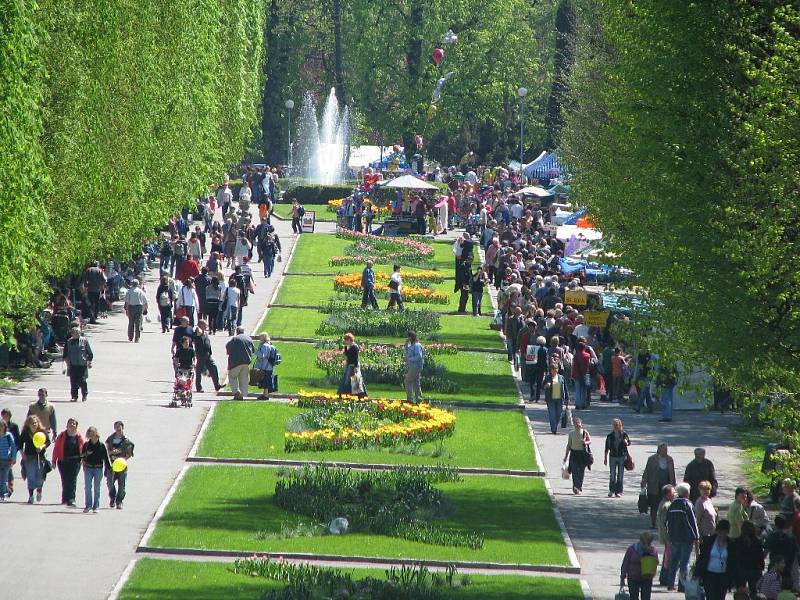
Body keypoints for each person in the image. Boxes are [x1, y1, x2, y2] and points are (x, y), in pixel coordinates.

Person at [665, 482, 700, 592]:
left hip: (674, 537)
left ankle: (670, 584)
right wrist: (696, 536)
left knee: (674, 560)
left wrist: (669, 535)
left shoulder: (672, 505)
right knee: (684, 561)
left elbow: (666, 522)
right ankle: (682, 585)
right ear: (686, 493)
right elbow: (693, 522)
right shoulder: (687, 504)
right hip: (686, 537)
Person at [695, 519, 734, 600]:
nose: (721, 534)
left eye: (724, 532)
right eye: (720, 532)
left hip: (723, 576)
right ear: (717, 531)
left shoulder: (731, 544)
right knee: (710, 597)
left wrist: (733, 580)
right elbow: (702, 557)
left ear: (727, 532)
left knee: (720, 597)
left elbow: (733, 562)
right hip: (709, 575)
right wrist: (697, 573)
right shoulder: (709, 541)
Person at [642, 443, 677, 528]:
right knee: (654, 505)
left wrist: (674, 486)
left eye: (666, 449)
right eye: (663, 449)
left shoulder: (669, 459)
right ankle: (654, 523)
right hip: (654, 485)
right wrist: (643, 482)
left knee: (667, 505)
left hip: (666, 486)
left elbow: (672, 474)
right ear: (659, 450)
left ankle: (665, 523)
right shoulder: (652, 459)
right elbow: (647, 471)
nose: (665, 451)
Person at [52, 417, 84, 507]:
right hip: (63, 461)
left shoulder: (79, 437)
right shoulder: (62, 436)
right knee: (65, 480)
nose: (72, 424)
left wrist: (84, 460)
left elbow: (83, 449)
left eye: (74, 423)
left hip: (75, 461)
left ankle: (71, 499)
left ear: (76, 426)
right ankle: (65, 498)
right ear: (67, 425)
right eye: (70, 423)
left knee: (72, 480)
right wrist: (54, 461)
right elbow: (56, 449)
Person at [19, 415, 51, 503]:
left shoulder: (42, 431)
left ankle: (39, 491)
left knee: (40, 476)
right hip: (29, 457)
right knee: (31, 476)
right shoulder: (26, 432)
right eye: (32, 423)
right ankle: (31, 496)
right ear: (28, 424)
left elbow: (48, 442)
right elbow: (20, 444)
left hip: (40, 457)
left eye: (35, 423)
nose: (34, 424)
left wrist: (42, 446)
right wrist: (22, 454)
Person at [620, 531, 659, 600]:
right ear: (640, 541)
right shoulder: (632, 549)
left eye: (648, 543)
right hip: (633, 577)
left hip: (647, 578)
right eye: (643, 543)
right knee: (634, 597)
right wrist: (622, 577)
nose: (645, 545)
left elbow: (656, 562)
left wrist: (649, 553)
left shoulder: (653, 550)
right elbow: (625, 563)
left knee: (646, 597)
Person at [765, 515, 799, 591]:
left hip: (774, 565)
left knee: (772, 589)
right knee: (785, 589)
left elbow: (766, 550)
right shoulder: (791, 537)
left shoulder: (772, 536)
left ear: (775, 524)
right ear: (785, 524)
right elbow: (796, 552)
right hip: (787, 567)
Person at [81, 425, 110, 513]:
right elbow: (81, 456)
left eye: (92, 433)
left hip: (98, 468)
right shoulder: (86, 445)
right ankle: (88, 505)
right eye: (89, 433)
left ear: (96, 434)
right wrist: (86, 454)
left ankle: (96, 506)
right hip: (88, 468)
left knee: (97, 487)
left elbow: (106, 458)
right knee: (87, 487)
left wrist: (109, 468)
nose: (91, 435)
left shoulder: (101, 445)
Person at [106, 421, 134, 509]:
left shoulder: (127, 441)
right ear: (114, 428)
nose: (118, 429)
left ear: (122, 428)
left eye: (120, 427)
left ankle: (119, 501)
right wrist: (112, 452)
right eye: (116, 427)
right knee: (110, 483)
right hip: (111, 466)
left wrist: (123, 459)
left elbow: (130, 454)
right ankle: (112, 498)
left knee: (122, 486)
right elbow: (106, 451)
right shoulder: (110, 439)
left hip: (122, 467)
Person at [733, 521, 765, 596]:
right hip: (754, 569)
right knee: (754, 592)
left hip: (741, 570)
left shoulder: (737, 541)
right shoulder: (757, 542)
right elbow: (760, 557)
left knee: (741, 594)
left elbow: (735, 558)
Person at [63, 327, 93, 402]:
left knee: (82, 380)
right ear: (72, 334)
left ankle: (84, 394)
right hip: (73, 365)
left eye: (78, 333)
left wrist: (89, 362)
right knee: (73, 381)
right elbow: (65, 354)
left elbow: (90, 353)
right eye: (74, 333)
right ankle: (74, 396)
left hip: (82, 365)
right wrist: (67, 365)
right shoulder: (69, 342)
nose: (76, 334)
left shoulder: (84, 340)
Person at [563, 417, 591, 495]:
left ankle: (579, 486)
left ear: (581, 424)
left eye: (579, 423)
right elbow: (569, 445)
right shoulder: (571, 433)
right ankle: (575, 487)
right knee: (574, 471)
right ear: (574, 425)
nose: (578, 425)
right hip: (574, 454)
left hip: (582, 454)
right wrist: (566, 456)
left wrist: (585, 442)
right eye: (576, 424)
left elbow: (590, 441)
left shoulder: (585, 432)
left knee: (581, 472)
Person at [226, 326, 255, 400]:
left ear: (237, 332)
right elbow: (253, 350)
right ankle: (243, 393)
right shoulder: (249, 339)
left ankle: (236, 392)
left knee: (232, 376)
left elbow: (228, 348)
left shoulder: (235, 339)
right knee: (244, 378)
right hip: (246, 362)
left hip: (236, 362)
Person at [604, 418, 631, 498]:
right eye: (614, 425)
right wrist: (605, 458)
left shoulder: (624, 434)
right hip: (612, 456)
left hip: (622, 457)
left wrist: (626, 442)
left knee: (620, 475)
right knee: (612, 474)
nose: (615, 426)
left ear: (620, 425)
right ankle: (611, 490)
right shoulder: (610, 436)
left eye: (617, 425)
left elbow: (629, 442)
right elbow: (607, 448)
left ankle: (619, 491)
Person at [656, 484, 677, 586]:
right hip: (667, 535)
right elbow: (665, 523)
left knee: (667, 555)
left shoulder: (664, 503)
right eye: (673, 492)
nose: (675, 494)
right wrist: (669, 536)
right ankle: (665, 578)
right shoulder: (667, 506)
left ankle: (664, 577)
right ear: (668, 494)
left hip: (665, 534)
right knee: (669, 556)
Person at [194, 322, 221, 392]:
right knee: (199, 371)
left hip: (208, 355)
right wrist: (198, 330)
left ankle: (217, 385)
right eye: (204, 324)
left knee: (213, 368)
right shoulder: (197, 333)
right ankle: (199, 387)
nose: (206, 326)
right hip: (201, 355)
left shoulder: (205, 333)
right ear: (200, 325)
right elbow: (197, 335)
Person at [337, 332, 366, 397]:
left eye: (346, 340)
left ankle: (359, 395)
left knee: (355, 380)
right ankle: (345, 393)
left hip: (353, 365)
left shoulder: (354, 347)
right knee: (347, 379)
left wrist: (355, 367)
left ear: (349, 340)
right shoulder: (348, 346)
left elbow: (355, 358)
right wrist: (346, 348)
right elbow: (347, 355)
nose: (345, 341)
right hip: (349, 364)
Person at [542, 360, 568, 434]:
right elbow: (542, 386)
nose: (555, 370)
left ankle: (555, 425)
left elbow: (565, 389)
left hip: (559, 399)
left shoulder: (561, 377)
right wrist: (546, 386)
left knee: (559, 414)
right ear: (550, 370)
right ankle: (554, 429)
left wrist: (567, 399)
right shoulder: (547, 378)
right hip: (550, 399)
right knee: (552, 414)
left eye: (556, 369)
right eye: (553, 369)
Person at [254, 333, 280, 399]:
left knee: (265, 381)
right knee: (266, 380)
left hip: (265, 366)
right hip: (269, 366)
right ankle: (265, 394)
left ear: (263, 338)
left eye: (260, 337)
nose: (259, 338)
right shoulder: (270, 345)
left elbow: (262, 356)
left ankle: (266, 396)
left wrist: (254, 351)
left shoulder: (264, 346)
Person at [1, 409, 20, 497]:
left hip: (8, 455)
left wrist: (14, 454)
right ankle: (5, 491)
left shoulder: (13, 427)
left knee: (8, 472)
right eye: (4, 415)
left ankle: (9, 488)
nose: (5, 417)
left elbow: (17, 440)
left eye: (7, 415)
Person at [525, 335, 549, 402]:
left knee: (532, 382)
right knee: (539, 383)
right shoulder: (545, 350)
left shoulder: (532, 348)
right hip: (541, 368)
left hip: (533, 367)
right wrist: (546, 369)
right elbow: (546, 360)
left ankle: (532, 395)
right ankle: (537, 398)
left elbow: (528, 358)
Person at [403, 331, 424, 403]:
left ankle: (410, 399)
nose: (407, 338)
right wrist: (406, 343)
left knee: (407, 381)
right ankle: (419, 399)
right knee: (416, 382)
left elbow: (419, 356)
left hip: (416, 367)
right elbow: (407, 350)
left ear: (411, 337)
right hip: (412, 367)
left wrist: (409, 359)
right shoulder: (412, 345)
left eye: (408, 337)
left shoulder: (417, 345)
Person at [0, 420, 17, 500]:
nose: (0, 428)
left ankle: (4, 494)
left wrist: (13, 458)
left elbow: (13, 447)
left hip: (6, 460)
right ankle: (5, 492)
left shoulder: (8, 435)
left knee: (4, 479)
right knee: (1, 479)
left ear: (4, 427)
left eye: (2, 426)